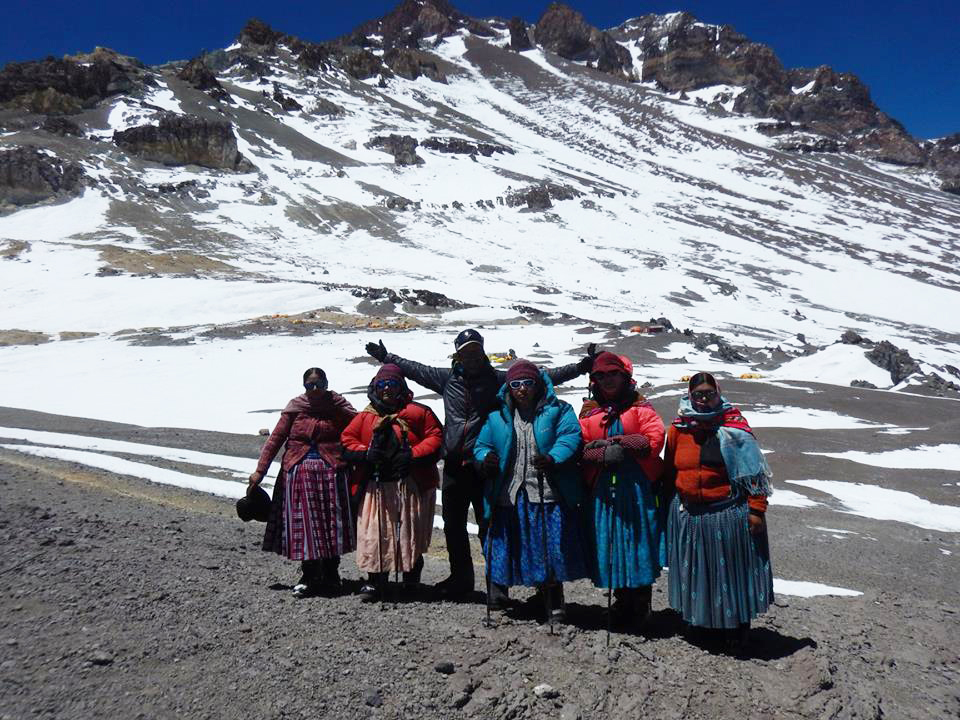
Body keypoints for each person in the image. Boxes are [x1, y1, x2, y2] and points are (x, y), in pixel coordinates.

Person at [366, 330, 596, 599]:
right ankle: (461, 579)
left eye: (476, 351)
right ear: (458, 355)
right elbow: (414, 370)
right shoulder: (447, 379)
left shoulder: (496, 379)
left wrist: (579, 369)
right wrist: (386, 358)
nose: (472, 356)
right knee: (453, 525)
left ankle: (496, 583)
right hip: (454, 464)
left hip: (484, 465)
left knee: (490, 524)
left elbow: (542, 376)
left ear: (483, 351)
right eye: (466, 352)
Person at [661, 372, 773, 650]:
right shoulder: (678, 428)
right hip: (689, 512)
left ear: (718, 393)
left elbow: (754, 475)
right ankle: (701, 623)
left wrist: (756, 510)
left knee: (730, 573)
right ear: (689, 395)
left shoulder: (735, 428)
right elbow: (669, 469)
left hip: (727, 513)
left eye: (709, 393)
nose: (703, 399)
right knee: (697, 571)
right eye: (697, 394)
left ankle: (736, 626)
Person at [473, 360, 588, 622]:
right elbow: (481, 444)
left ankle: (552, 600)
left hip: (545, 492)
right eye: (515, 384)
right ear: (508, 388)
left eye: (527, 383)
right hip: (509, 494)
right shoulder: (497, 417)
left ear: (537, 385)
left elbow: (570, 436)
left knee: (547, 548)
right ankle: (498, 596)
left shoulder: (559, 410)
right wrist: (486, 457)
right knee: (502, 545)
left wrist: (554, 457)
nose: (522, 389)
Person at [249, 368, 357, 598]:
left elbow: (359, 427)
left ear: (327, 383)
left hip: (333, 470)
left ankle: (330, 573)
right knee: (305, 525)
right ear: (304, 387)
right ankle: (309, 574)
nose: (315, 390)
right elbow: (275, 439)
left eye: (319, 384)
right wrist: (260, 471)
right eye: (310, 386)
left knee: (330, 524)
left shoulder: (338, 405)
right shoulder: (295, 408)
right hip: (298, 473)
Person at [340, 364, 442, 600]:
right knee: (376, 532)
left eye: (392, 384)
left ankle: (410, 580)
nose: (387, 389)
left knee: (409, 532)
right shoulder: (366, 416)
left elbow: (435, 437)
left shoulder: (418, 412)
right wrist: (366, 453)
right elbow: (346, 440)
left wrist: (413, 455)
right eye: (382, 385)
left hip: (409, 482)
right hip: (376, 484)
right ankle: (376, 579)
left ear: (401, 387)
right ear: (375, 387)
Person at [579, 352, 665, 629]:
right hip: (602, 489)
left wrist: (618, 442)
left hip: (637, 487)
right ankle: (621, 601)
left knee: (638, 540)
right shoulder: (590, 411)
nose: (607, 380)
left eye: (613, 374)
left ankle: (641, 605)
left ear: (625, 377)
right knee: (612, 542)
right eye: (601, 376)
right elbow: (578, 447)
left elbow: (653, 440)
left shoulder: (641, 408)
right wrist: (600, 456)